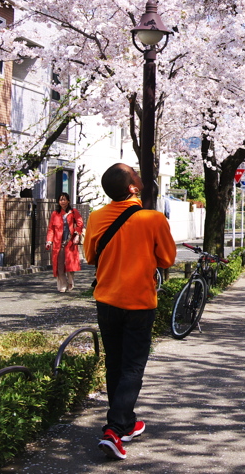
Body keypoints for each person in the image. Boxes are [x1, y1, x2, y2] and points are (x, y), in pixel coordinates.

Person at [83, 163, 176, 460]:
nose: (139, 174)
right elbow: (167, 258)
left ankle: (125, 420)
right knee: (133, 367)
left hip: (106, 300)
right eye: (135, 174)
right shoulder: (154, 219)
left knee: (115, 363)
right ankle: (113, 429)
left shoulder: (97, 217)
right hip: (138, 303)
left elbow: (89, 255)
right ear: (133, 188)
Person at [45, 192, 84, 293]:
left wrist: (76, 234)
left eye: (64, 199)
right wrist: (49, 241)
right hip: (58, 243)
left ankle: (70, 281)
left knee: (70, 265)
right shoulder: (55, 214)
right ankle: (62, 284)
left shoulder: (73, 212)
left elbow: (80, 224)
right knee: (60, 265)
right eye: (60, 200)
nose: (62, 201)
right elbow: (51, 229)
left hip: (70, 242)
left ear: (68, 201)